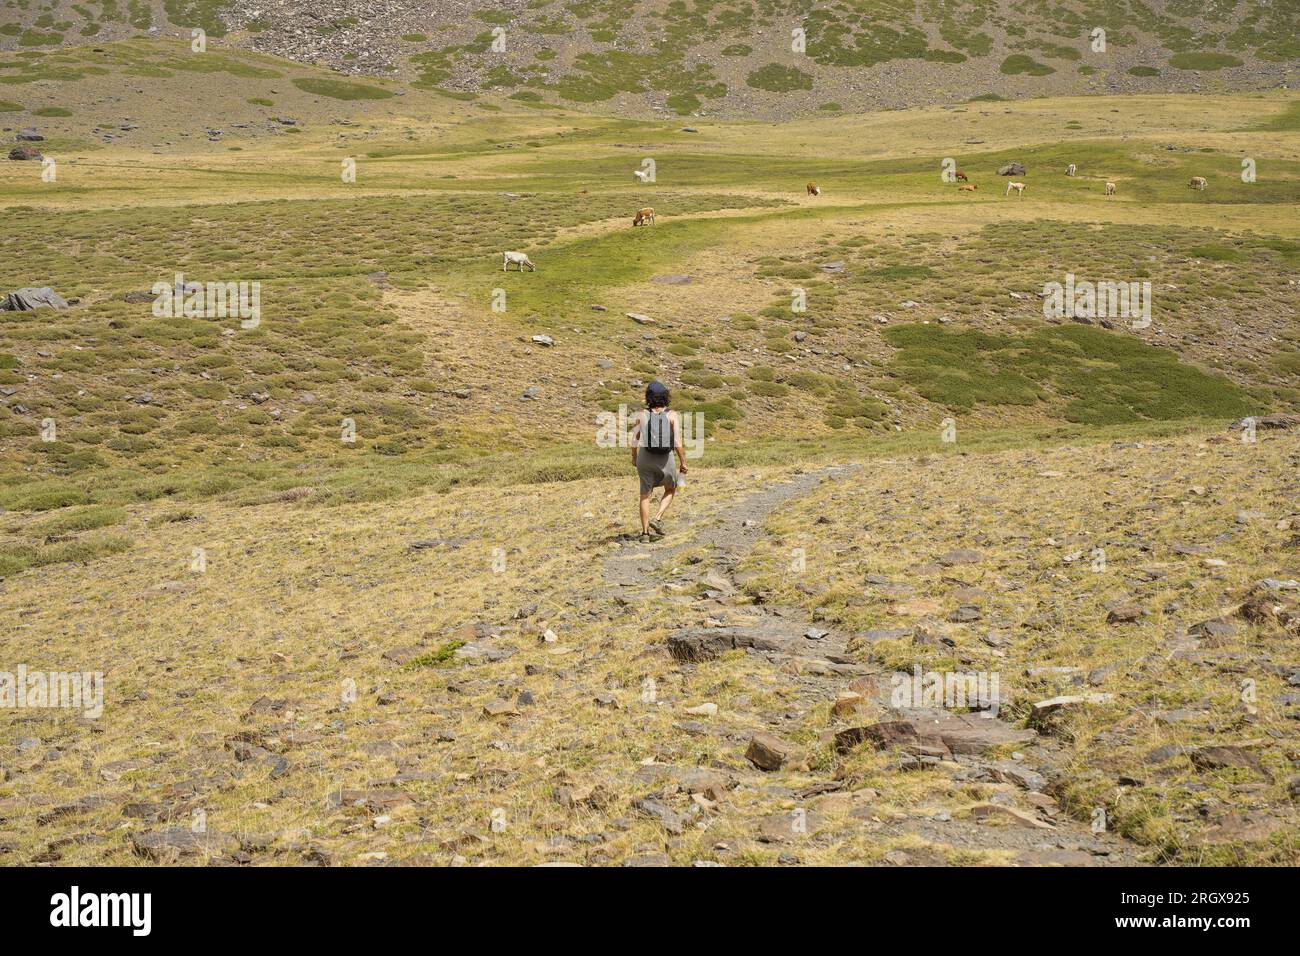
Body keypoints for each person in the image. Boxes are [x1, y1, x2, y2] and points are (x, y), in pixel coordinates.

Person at [630, 381, 687, 542]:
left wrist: (634, 457)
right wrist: (683, 462)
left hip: (644, 457)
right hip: (665, 458)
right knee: (671, 488)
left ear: (648, 397)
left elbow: (634, 441)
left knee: (645, 495)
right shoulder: (672, 415)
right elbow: (677, 443)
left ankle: (645, 534)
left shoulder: (642, 414)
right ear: (665, 396)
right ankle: (657, 518)